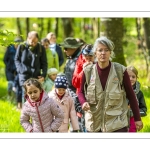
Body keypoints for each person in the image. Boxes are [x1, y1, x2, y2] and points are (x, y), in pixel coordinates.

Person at [78, 36, 143, 132]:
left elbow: (131, 95)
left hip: (117, 124)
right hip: (94, 123)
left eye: (106, 50)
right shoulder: (87, 71)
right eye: (100, 50)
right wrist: (83, 102)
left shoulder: (120, 70)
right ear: (95, 53)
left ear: (110, 53)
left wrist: (137, 118)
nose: (103, 53)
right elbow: (80, 92)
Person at [60, 37, 86, 132]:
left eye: (66, 48)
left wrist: (76, 97)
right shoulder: (70, 58)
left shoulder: (81, 59)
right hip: (69, 93)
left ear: (73, 48)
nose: (64, 50)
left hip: (78, 94)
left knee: (80, 120)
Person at [14, 31, 48, 104]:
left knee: (35, 95)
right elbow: (16, 59)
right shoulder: (21, 46)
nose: (34, 44)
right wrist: (21, 70)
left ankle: (35, 113)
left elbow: (44, 63)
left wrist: (43, 75)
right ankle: (25, 113)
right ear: (27, 39)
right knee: (26, 94)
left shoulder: (40, 48)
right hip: (24, 76)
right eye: (32, 42)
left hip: (35, 76)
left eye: (35, 42)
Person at [127, 65, 147, 132]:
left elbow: (143, 110)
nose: (131, 79)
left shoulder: (139, 93)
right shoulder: (119, 91)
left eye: (133, 77)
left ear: (137, 78)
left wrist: (133, 111)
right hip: (119, 121)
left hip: (133, 121)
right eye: (128, 76)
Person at [3, 37, 22, 101]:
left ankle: (14, 99)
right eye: (16, 43)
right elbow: (5, 59)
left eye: (19, 43)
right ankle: (9, 96)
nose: (18, 44)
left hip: (17, 71)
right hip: (9, 71)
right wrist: (9, 66)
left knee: (16, 86)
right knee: (10, 84)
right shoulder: (10, 49)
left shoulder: (22, 50)